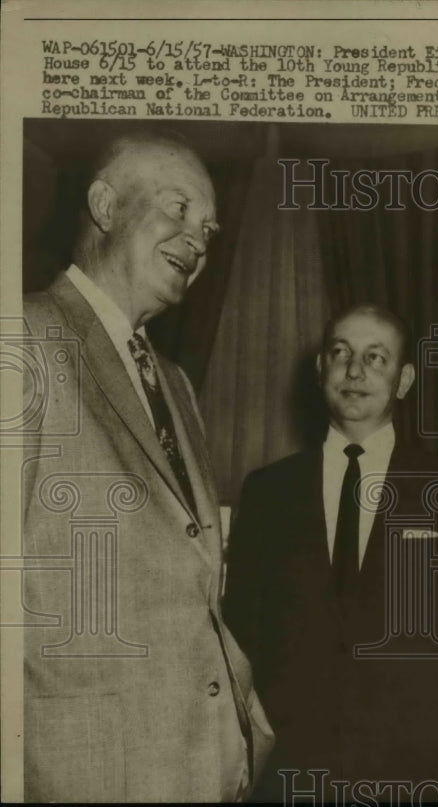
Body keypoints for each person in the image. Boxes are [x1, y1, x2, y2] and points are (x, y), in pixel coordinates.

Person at [20, 130, 273, 801]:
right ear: (105, 204)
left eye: (211, 228)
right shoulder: (23, 337)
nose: (199, 239)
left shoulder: (176, 383)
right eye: (179, 208)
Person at [223, 304, 438, 801]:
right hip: (292, 774)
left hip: (415, 773)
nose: (355, 370)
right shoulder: (268, 492)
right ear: (321, 370)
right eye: (341, 353)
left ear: (404, 380)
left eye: (376, 358)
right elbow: (241, 637)